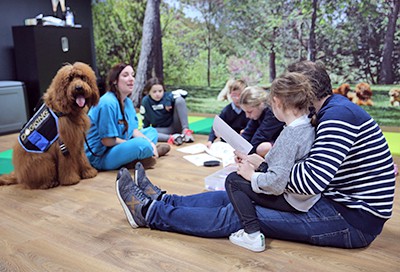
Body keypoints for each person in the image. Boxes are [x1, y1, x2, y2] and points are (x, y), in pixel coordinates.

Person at [115, 60, 395, 250]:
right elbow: (307, 172)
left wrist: (259, 173)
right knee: (237, 196)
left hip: (351, 219)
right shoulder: (329, 112)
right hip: (329, 201)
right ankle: (164, 200)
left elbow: (310, 181)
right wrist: (262, 168)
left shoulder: (337, 116)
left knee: (240, 213)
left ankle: (150, 213)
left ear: (304, 92)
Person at [225, 72, 318, 252]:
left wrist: (251, 175)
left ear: (276, 102)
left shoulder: (290, 135)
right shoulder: (305, 124)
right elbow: (283, 165)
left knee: (233, 181)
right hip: (304, 197)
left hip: (293, 200)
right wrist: (256, 162)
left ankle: (251, 235)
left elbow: (276, 183)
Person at [85, 63, 170, 171]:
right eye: (125, 75)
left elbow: (133, 130)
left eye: (132, 75)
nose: (131, 79)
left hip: (118, 145)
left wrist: (149, 142)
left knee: (151, 132)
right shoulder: (107, 103)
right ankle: (144, 154)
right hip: (100, 156)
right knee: (141, 144)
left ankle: (145, 153)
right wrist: (137, 144)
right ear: (115, 80)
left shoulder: (128, 102)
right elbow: (107, 141)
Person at [140, 77, 194, 146]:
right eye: (154, 92)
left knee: (179, 100)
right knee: (144, 133)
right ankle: (174, 138)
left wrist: (168, 101)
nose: (157, 94)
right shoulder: (145, 101)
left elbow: (184, 94)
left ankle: (186, 131)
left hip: (174, 125)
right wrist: (145, 130)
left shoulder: (168, 96)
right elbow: (145, 118)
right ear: (148, 92)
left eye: (160, 91)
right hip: (162, 129)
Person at [239, 86, 285, 157]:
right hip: (271, 139)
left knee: (262, 148)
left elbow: (261, 135)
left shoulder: (272, 113)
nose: (247, 116)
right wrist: (239, 147)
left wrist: (246, 154)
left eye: (249, 112)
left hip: (283, 142)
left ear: (260, 104)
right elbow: (248, 132)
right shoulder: (258, 112)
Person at [206, 79, 249, 149]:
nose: (237, 98)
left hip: (244, 141)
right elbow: (217, 126)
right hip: (228, 142)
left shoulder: (248, 110)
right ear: (230, 94)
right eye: (234, 95)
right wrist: (210, 140)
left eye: (240, 95)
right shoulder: (227, 110)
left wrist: (246, 131)